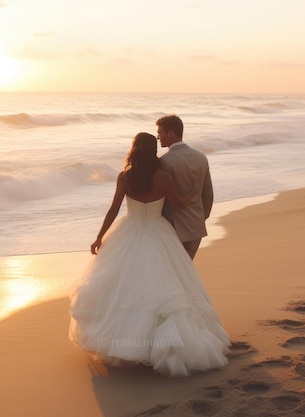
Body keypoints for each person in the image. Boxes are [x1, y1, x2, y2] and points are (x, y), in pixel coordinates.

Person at [69, 132, 230, 377]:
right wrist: (191, 195)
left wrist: (100, 236)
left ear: (134, 149)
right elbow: (179, 203)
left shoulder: (125, 177)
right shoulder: (163, 177)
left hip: (129, 231)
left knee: (123, 285)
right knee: (166, 285)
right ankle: (158, 347)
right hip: (158, 232)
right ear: (153, 150)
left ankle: (122, 345)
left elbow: (113, 209)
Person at [156, 115, 213, 260]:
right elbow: (207, 194)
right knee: (186, 272)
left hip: (174, 228)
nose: (158, 137)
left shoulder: (164, 162)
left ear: (171, 133)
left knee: (173, 273)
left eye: (160, 132)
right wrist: (201, 217)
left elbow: (160, 198)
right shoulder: (201, 157)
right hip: (196, 227)